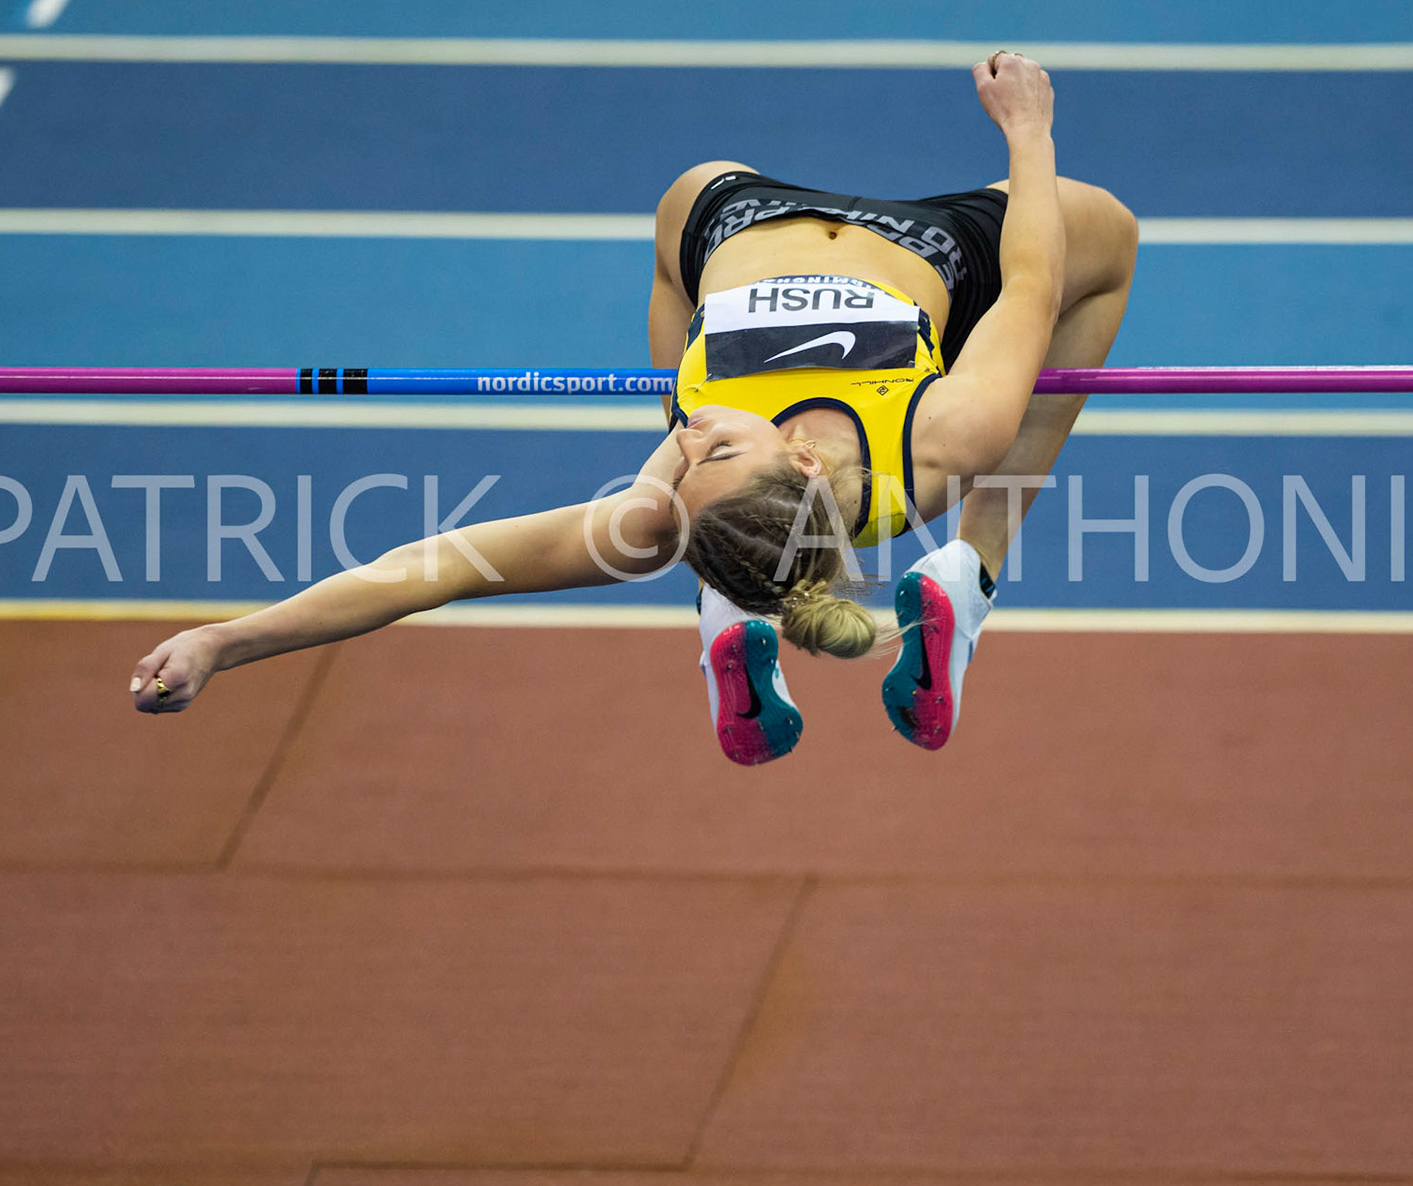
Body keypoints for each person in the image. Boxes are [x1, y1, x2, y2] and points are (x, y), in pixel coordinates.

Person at [131, 53, 1136, 766]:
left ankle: (729, 598)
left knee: (685, 193)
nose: (689, 435)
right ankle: (971, 568)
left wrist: (226, 637)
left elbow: (426, 568)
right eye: (710, 450)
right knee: (1111, 242)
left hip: (733, 219)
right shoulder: (942, 441)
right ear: (808, 464)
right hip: (930, 246)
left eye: (680, 455)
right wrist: (1030, 132)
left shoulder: (656, 512)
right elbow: (1033, 284)